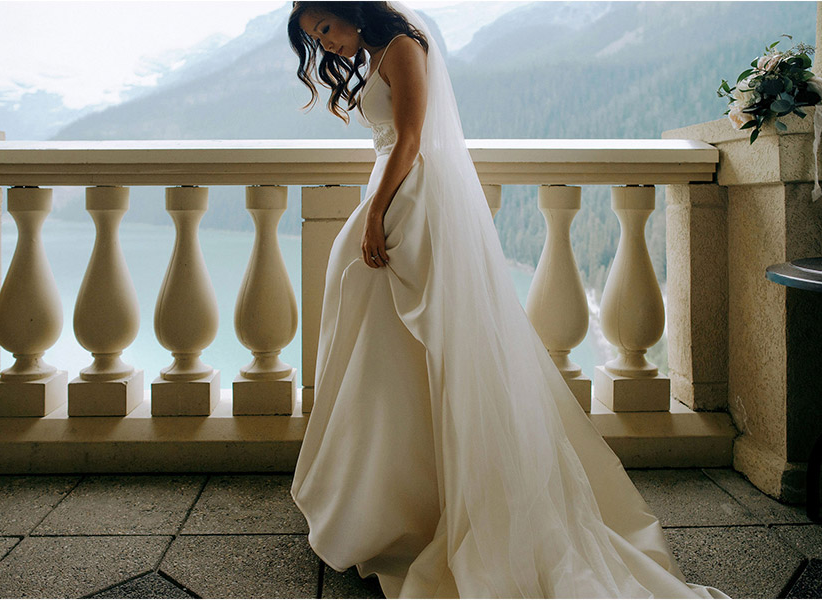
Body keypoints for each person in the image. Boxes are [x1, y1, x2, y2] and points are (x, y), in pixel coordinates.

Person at [287, 2, 727, 598]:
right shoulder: (377, 53)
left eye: (326, 28)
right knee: (389, 356)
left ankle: (437, 505)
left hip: (410, 208)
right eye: (317, 37)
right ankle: (396, 501)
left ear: (349, 8)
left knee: (437, 353)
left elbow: (411, 140)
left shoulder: (401, 48)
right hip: (397, 201)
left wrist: (374, 218)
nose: (327, 44)